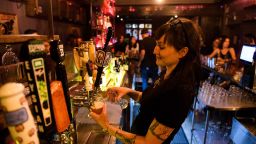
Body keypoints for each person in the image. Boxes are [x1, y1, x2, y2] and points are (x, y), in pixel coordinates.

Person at [89, 17, 202, 144]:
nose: (155, 51)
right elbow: (152, 100)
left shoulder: (179, 91)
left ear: (182, 52)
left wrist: (106, 126)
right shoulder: (169, 72)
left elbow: (149, 143)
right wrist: (127, 91)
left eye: (161, 47)